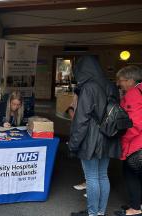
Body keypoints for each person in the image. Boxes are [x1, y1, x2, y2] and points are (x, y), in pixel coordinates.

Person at [68, 56, 121, 216]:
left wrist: (73, 143)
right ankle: (100, 212)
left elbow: (81, 119)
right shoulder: (111, 85)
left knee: (91, 177)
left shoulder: (88, 87)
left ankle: (92, 213)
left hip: (91, 139)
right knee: (103, 175)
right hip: (109, 136)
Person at [114, 65, 142, 216]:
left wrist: (120, 138)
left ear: (131, 80)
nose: (119, 83)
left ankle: (135, 209)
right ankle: (138, 203)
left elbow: (134, 124)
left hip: (136, 144)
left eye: (121, 80)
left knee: (131, 174)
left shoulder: (133, 94)